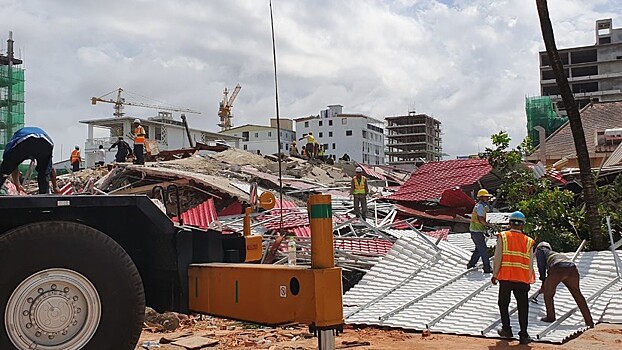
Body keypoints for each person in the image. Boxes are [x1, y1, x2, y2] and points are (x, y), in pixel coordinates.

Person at [491, 211, 535, 345]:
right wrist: (529, 279)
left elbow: (498, 256)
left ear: (510, 223)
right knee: (523, 307)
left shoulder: (503, 237)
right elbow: (530, 263)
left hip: (505, 277)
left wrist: (494, 274)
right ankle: (524, 335)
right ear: (522, 225)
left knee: (503, 304)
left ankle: (507, 330)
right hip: (521, 279)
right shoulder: (529, 241)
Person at [536, 242, 594, 327]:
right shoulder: (556, 254)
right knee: (577, 294)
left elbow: (541, 266)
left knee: (548, 294)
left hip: (557, 269)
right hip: (572, 269)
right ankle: (589, 321)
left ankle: (550, 317)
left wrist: (543, 282)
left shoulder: (540, 250)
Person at [0, 126, 59, 194]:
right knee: (44, 173)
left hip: (24, 140)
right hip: (46, 142)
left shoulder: (11, 144)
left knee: (4, 172)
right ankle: (44, 197)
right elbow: (51, 169)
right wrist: (55, 187)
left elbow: (13, 165)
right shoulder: (15, 142)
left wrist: (17, 184)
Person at [467, 189, 493, 273]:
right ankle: (487, 268)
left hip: (477, 230)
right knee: (483, 249)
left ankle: (471, 263)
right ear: (481, 197)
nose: (487, 199)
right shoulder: (480, 206)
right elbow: (481, 219)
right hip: (476, 230)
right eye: (486, 197)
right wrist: (489, 225)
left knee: (479, 248)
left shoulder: (482, 206)